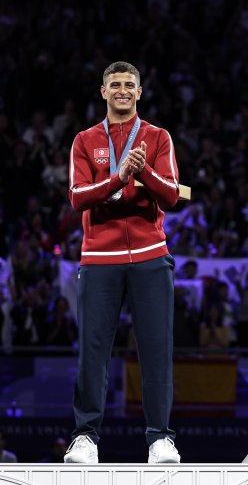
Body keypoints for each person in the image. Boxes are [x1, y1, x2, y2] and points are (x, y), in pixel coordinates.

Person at [65, 61, 181, 464]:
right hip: (99, 258)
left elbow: (170, 194)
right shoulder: (84, 141)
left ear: (139, 92)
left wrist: (142, 170)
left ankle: (160, 439)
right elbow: (78, 196)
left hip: (151, 256)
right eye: (114, 84)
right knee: (93, 350)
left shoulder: (157, 137)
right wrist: (119, 177)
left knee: (155, 349)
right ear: (103, 92)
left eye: (129, 84)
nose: (122, 90)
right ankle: (85, 438)